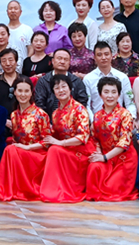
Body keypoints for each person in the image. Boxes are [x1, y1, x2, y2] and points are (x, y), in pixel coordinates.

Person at [0, 77, 52, 201]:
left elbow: (47, 142)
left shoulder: (40, 114)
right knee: (7, 147)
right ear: (14, 92)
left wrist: (27, 147)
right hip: (21, 152)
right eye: (20, 91)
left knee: (10, 150)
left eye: (26, 91)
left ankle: (8, 188)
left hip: (37, 154)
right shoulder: (14, 115)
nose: (23, 94)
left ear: (31, 93)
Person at [38, 74, 93, 203]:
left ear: (70, 88)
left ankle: (53, 190)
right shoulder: (55, 113)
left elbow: (83, 137)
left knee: (54, 150)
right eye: (57, 88)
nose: (61, 90)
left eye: (64, 86)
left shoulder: (79, 109)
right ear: (53, 92)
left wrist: (60, 143)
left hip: (80, 150)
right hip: (65, 149)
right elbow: (54, 135)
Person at [84, 76, 138, 202]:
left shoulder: (125, 114)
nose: (110, 96)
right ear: (100, 94)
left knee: (111, 191)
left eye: (114, 92)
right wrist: (98, 153)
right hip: (106, 157)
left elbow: (124, 142)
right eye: (106, 92)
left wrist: (104, 157)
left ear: (119, 95)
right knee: (93, 167)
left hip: (124, 159)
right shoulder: (97, 116)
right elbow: (95, 138)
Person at [83, 42, 135, 118]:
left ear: (112, 56)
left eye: (106, 54)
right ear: (94, 58)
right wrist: (93, 121)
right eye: (99, 55)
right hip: (97, 121)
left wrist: (130, 118)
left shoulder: (122, 77)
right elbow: (87, 105)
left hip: (120, 120)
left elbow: (130, 103)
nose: (103, 58)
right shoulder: (88, 79)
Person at [36, 49, 89, 116]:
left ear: (69, 63)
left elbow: (82, 101)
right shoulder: (43, 81)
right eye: (59, 58)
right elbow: (40, 103)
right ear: (53, 61)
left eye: (66, 59)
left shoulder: (76, 81)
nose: (62, 62)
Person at [0, 48, 21, 116]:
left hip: (22, 119)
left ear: (16, 62)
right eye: (4, 61)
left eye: (10, 60)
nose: (7, 64)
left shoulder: (23, 80)